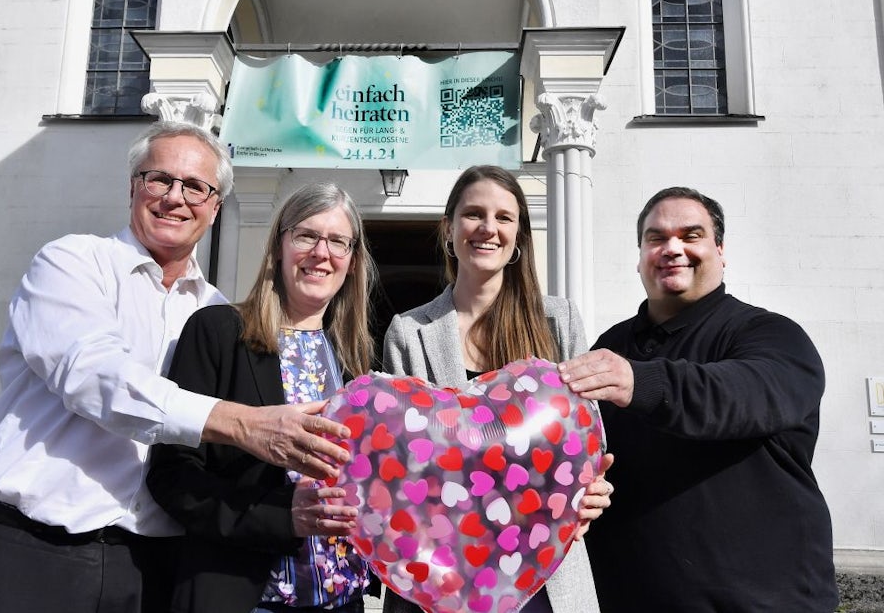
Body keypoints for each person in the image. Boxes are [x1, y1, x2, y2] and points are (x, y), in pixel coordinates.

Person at [0, 122, 352, 613]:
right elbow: (92, 376)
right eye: (160, 179)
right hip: (32, 552)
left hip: (149, 566)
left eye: (196, 187)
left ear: (215, 208)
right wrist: (243, 424)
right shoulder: (74, 263)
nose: (176, 198)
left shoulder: (216, 315)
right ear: (134, 185)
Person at [558, 186, 838, 612]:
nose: (672, 248)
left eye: (691, 236)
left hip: (764, 601)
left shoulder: (772, 336)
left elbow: (745, 395)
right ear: (639, 257)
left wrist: (641, 382)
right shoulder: (611, 346)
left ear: (720, 251)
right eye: (656, 238)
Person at [379, 165, 612, 613]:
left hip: (546, 573)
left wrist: (593, 486)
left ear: (519, 236)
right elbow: (402, 466)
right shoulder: (409, 332)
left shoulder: (556, 322)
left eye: (504, 217)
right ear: (449, 228)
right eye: (474, 214)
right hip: (445, 572)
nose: (489, 228)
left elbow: (587, 438)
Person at [147, 182, 379, 613]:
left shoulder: (356, 360)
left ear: (352, 261)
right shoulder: (218, 332)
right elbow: (171, 476)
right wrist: (279, 516)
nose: (320, 252)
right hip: (246, 596)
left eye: (337, 242)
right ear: (279, 246)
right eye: (306, 235)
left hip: (340, 599)